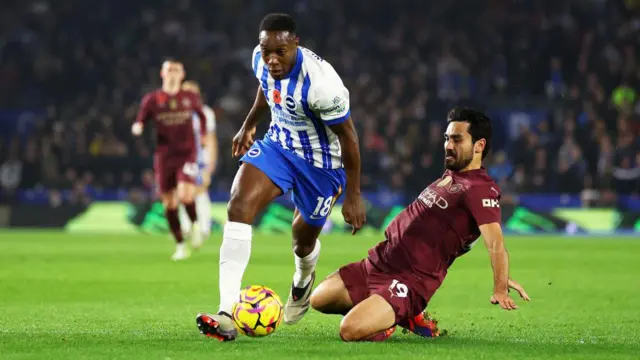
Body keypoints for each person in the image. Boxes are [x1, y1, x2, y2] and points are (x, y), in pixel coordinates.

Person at [196, 13, 366, 341]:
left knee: (303, 241)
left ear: (295, 44)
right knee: (238, 205)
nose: (272, 60)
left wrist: (354, 195)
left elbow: (349, 138)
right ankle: (226, 311)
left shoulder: (322, 84)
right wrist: (249, 125)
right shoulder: (260, 61)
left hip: (321, 167)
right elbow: (266, 88)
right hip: (279, 146)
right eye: (266, 52)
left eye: (280, 53)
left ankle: (303, 280)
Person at [309, 108, 531, 342]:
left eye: (457, 139)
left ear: (479, 145)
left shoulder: (480, 189)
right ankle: (396, 313)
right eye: (447, 138)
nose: (448, 145)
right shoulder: (452, 174)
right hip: (379, 261)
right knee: (319, 299)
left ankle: (394, 317)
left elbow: (495, 243)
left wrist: (499, 286)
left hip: (409, 280)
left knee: (349, 330)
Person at [132, 59, 208, 261]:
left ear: (182, 74)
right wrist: (138, 126)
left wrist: (204, 135)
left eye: (177, 70)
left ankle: (195, 224)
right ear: (162, 73)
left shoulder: (189, 97)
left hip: (187, 154)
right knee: (169, 203)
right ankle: (181, 245)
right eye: (169, 70)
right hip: (164, 156)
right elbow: (141, 118)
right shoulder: (153, 99)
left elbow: (201, 116)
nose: (173, 73)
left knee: (185, 195)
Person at [178, 80, 218, 247]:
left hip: (200, 158)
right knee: (182, 191)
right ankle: (186, 228)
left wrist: (211, 164)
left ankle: (204, 228)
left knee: (200, 190)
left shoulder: (205, 113)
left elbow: (210, 139)